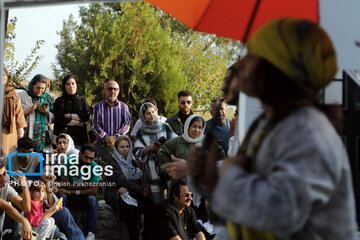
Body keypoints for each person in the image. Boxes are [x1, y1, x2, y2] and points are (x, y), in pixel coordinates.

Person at [189, 18, 357, 239]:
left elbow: (282, 213)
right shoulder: (270, 125)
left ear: (276, 69)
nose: (239, 65)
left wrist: (231, 176)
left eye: (251, 57)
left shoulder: (308, 132)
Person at [134, 102, 177, 204]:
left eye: (153, 112)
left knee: (173, 201)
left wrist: (164, 147)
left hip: (169, 171)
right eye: (148, 113)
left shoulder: (165, 126)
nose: (152, 115)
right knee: (157, 203)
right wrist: (150, 148)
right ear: (143, 117)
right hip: (153, 174)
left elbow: (176, 143)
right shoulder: (141, 132)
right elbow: (137, 152)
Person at [159, 115, 225, 181]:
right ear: (187, 127)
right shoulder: (177, 141)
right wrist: (172, 168)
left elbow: (221, 154)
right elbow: (161, 152)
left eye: (200, 127)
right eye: (194, 126)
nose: (197, 130)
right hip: (181, 183)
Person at [56, 143, 99, 240]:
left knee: (92, 199)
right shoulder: (69, 162)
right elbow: (65, 185)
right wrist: (87, 185)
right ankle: (62, 231)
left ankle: (91, 233)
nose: (88, 161)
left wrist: (72, 190)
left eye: (91, 158)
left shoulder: (94, 166)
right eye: (86, 157)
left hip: (83, 197)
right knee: (62, 196)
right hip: (71, 197)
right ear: (80, 154)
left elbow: (94, 190)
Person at [105, 136, 143, 240]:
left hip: (130, 191)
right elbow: (121, 180)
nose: (125, 149)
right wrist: (138, 189)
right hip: (116, 192)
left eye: (127, 146)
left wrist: (129, 188)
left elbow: (139, 179)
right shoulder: (112, 162)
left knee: (147, 204)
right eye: (122, 147)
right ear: (116, 149)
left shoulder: (132, 162)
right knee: (131, 209)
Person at [39, 164, 85, 240]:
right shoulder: (36, 185)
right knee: (64, 212)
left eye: (50, 171)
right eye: (45, 171)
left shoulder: (48, 186)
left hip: (49, 216)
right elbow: (47, 207)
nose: (48, 174)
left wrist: (49, 188)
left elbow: (53, 207)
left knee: (63, 211)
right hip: (41, 218)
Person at [92, 81, 131, 162]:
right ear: (104, 91)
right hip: (103, 145)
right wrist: (105, 137)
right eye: (110, 89)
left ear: (118, 91)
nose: (112, 91)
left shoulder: (124, 107)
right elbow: (95, 125)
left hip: (120, 145)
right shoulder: (97, 107)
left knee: (121, 170)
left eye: (115, 89)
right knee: (104, 169)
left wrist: (116, 137)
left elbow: (127, 124)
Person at [17, 74, 54, 152]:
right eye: (37, 88)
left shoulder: (47, 98)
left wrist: (46, 112)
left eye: (42, 88)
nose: (40, 90)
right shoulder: (23, 96)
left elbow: (53, 118)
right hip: (26, 133)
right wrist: (31, 109)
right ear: (32, 85)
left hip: (43, 135)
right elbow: (16, 115)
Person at [54, 75, 90, 149]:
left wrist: (69, 116)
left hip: (80, 139)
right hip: (64, 140)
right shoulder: (60, 101)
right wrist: (78, 122)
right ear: (64, 86)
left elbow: (86, 116)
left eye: (73, 83)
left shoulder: (82, 100)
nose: (71, 86)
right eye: (68, 84)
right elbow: (59, 119)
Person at [0, 160, 32, 239]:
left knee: (18, 214)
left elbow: (26, 207)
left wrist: (24, 185)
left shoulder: (5, 188)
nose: (3, 178)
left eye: (4, 173)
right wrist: (24, 220)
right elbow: (5, 206)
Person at [1, 66, 27, 157]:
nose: (2, 77)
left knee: (6, 157)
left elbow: (18, 113)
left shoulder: (13, 94)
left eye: (4, 75)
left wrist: (20, 132)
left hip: (8, 132)